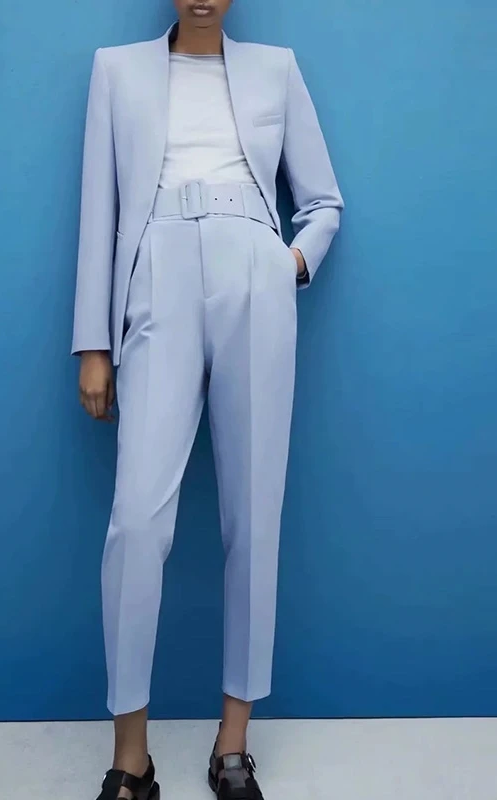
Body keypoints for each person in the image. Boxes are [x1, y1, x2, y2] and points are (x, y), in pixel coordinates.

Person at [71, 1, 343, 798]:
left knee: (254, 516)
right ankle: (131, 756)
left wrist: (288, 265)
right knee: (136, 520)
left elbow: (324, 202)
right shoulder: (116, 69)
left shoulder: (276, 69)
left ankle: (233, 744)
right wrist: (94, 344)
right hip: (155, 272)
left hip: (253, 268)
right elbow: (97, 211)